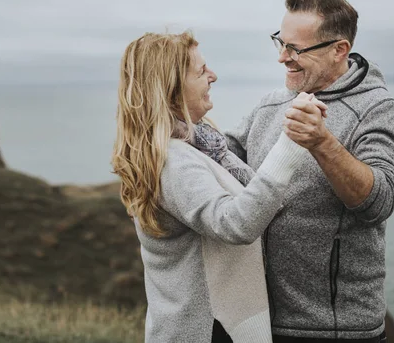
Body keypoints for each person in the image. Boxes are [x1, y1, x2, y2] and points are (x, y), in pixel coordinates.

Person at [111, 31, 325, 342]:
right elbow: (235, 224)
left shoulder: (202, 145)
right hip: (207, 331)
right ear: (171, 89)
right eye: (201, 71)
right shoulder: (174, 162)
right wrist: (290, 144)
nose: (213, 76)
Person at [226, 0, 394, 342]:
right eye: (280, 42)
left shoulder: (379, 109)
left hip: (336, 329)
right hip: (257, 321)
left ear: (339, 49)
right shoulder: (270, 104)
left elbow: (380, 202)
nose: (282, 58)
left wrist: (322, 142)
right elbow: (222, 157)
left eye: (295, 49)